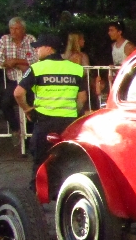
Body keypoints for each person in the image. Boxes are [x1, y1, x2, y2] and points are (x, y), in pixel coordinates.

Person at [13, 34, 87, 190]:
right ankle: (65, 195)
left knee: (40, 161)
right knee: (68, 161)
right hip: (69, 123)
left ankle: (37, 198)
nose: (37, 51)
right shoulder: (76, 69)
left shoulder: (37, 68)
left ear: (48, 48)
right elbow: (82, 98)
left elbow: (18, 93)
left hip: (45, 122)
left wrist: (27, 109)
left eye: (39, 47)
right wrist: (75, 113)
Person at [0, 16, 38, 145]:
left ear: (23, 29)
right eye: (11, 29)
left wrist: (16, 61)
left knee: (30, 106)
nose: (13, 31)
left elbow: (36, 59)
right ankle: (16, 129)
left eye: (17, 29)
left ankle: (30, 139)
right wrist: (16, 64)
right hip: (13, 80)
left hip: (29, 81)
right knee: (5, 103)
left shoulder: (30, 39)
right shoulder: (4, 39)